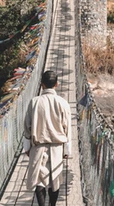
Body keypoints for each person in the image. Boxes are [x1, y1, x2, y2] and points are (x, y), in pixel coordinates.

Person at [23, 70, 72, 206]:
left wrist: (27, 147)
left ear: (41, 84)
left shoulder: (34, 102)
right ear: (57, 84)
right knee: (55, 180)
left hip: (38, 147)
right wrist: (67, 150)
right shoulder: (63, 103)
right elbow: (67, 128)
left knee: (40, 180)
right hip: (57, 147)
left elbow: (27, 127)